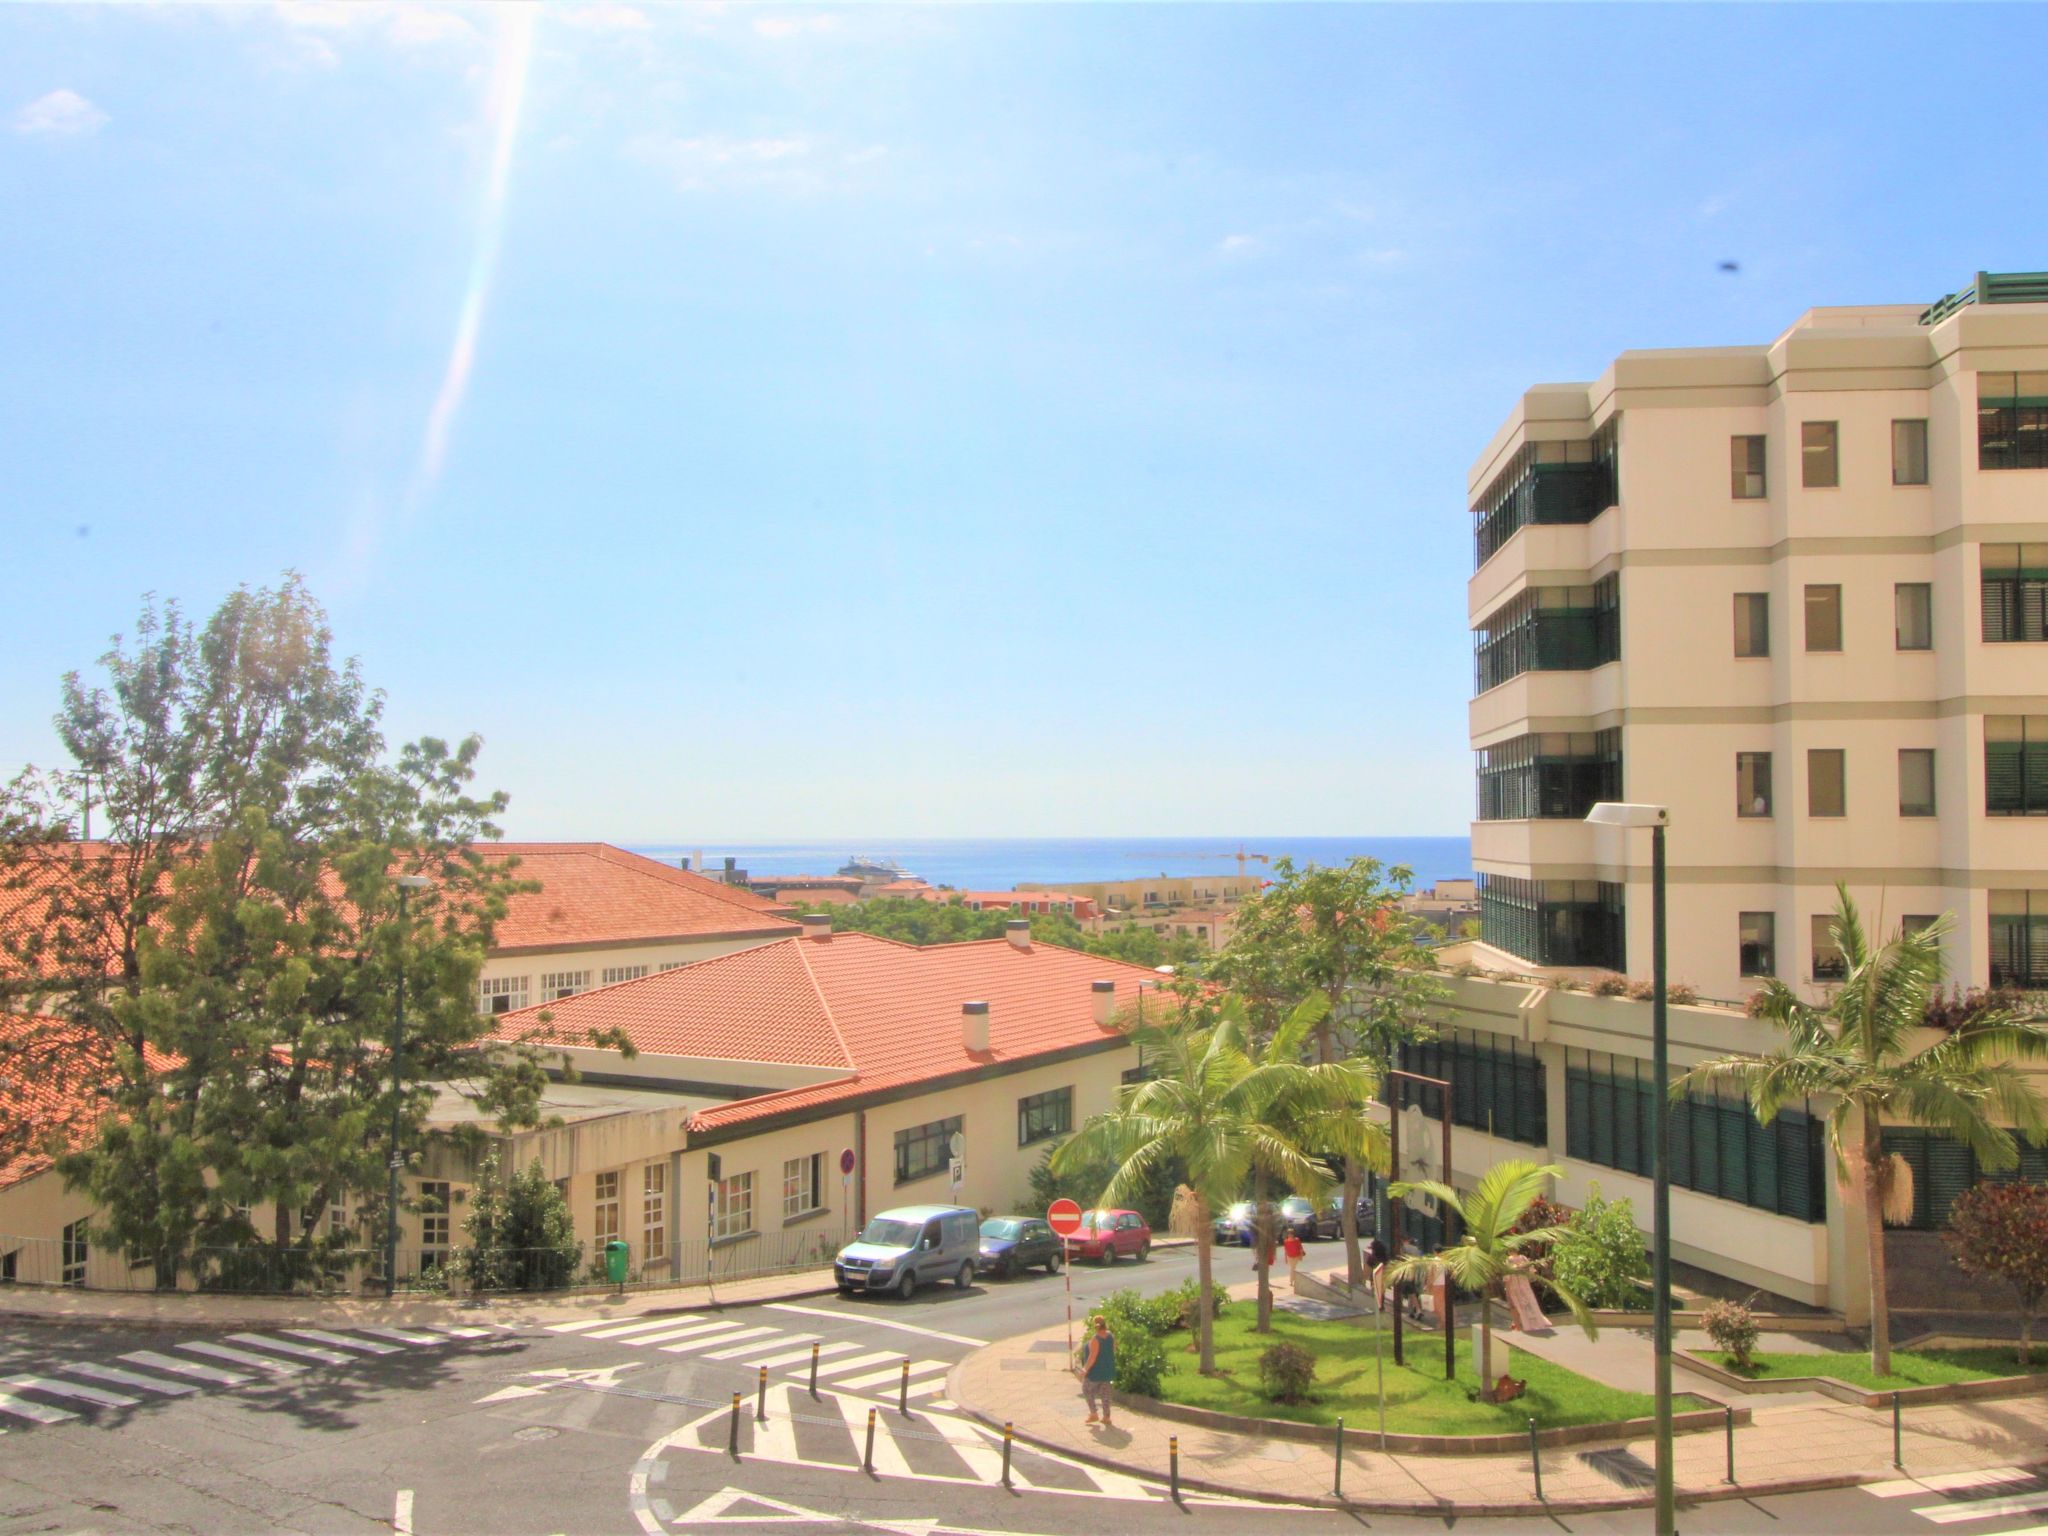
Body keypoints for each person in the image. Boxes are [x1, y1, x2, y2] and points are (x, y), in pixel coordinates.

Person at [1078, 1314, 1117, 1427]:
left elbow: (1092, 1357)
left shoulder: (1095, 1339)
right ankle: (1106, 1417)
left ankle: (1093, 1413)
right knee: (1106, 1393)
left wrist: (1084, 1370)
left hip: (1096, 1371)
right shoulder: (1110, 1336)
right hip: (1108, 1369)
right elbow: (1113, 1349)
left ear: (1095, 1326)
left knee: (1086, 1389)